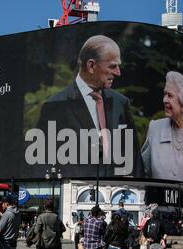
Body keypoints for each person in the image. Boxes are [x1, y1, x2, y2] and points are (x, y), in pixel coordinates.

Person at [35, 34, 143, 178]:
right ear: (91, 65)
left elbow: (135, 160)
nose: (118, 72)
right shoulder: (55, 105)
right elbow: (41, 162)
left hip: (120, 195)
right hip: (75, 195)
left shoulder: (121, 103)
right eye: (113, 66)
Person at [141, 71, 183, 184]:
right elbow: (142, 171)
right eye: (164, 94)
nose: (164, 100)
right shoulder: (155, 128)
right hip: (156, 199)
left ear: (182, 103)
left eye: (170, 95)